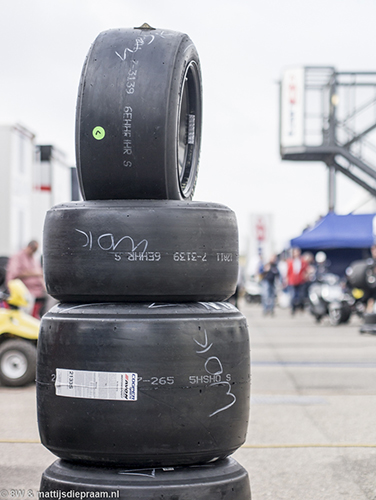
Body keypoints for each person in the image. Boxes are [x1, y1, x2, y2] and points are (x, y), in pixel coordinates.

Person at [6, 240, 46, 318]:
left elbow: (39, 274)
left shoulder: (33, 258)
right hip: (24, 291)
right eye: (33, 250)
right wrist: (33, 273)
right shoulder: (17, 257)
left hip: (37, 291)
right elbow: (14, 275)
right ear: (29, 247)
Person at [286, 247, 308, 315]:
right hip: (292, 280)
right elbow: (288, 271)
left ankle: (301, 308)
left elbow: (305, 270)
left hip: (301, 280)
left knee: (301, 295)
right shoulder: (290, 261)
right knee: (293, 295)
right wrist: (287, 279)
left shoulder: (302, 261)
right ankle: (293, 309)